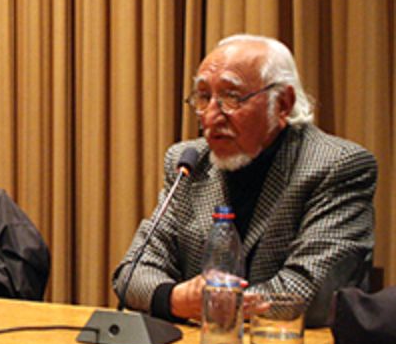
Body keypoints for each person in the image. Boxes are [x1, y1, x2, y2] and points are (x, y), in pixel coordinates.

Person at [113, 34, 376, 327]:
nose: (212, 115)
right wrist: (175, 298)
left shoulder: (336, 165)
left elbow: (312, 294)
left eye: (231, 97)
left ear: (283, 104)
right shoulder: (189, 162)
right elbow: (131, 273)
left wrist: (213, 305)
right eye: (203, 97)